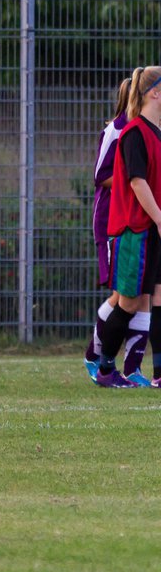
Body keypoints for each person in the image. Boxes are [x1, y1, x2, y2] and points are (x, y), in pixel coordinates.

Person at [94, 66, 161, 388]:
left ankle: (128, 369)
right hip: (135, 230)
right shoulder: (134, 132)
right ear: (154, 92)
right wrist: (159, 218)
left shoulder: (156, 132)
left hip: (151, 231)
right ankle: (104, 368)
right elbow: (137, 181)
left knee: (144, 299)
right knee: (128, 302)